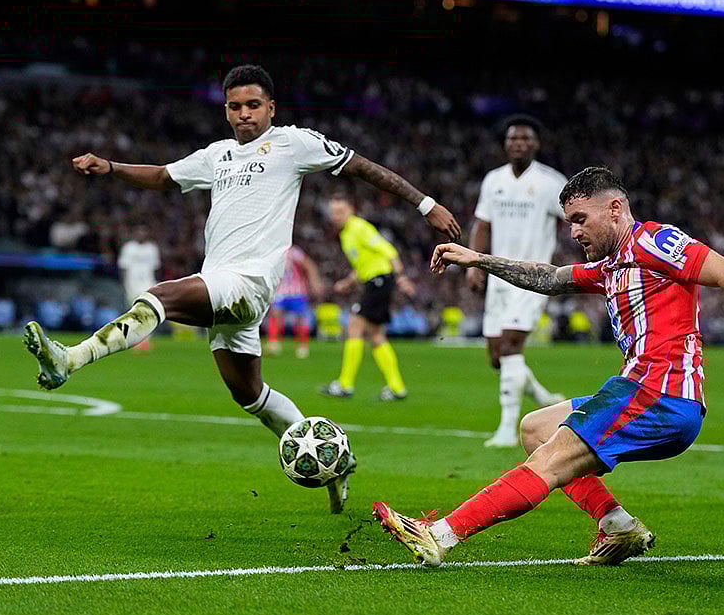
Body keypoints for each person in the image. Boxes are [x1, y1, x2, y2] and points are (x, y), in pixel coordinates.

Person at [23, 64, 460, 514]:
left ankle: (70, 358)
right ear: (226, 111)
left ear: (271, 107)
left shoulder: (295, 143)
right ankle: (337, 462)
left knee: (161, 296)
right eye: (235, 106)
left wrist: (426, 205)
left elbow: (364, 168)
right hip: (223, 280)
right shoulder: (217, 155)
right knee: (249, 394)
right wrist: (111, 166)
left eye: (254, 105)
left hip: (248, 282)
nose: (244, 114)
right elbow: (161, 177)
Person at [372, 166, 724, 566]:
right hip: (648, 394)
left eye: (581, 219)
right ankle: (618, 526)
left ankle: (441, 535)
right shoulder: (609, 267)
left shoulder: (655, 241)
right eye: (569, 223)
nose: (574, 232)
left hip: (657, 393)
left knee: (548, 463)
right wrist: (479, 259)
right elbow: (548, 278)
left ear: (615, 209)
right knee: (536, 429)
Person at [467, 115, 568, 448]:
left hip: (534, 276)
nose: (518, 143)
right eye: (513, 139)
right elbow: (482, 224)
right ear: (505, 144)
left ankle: (508, 430)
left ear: (536, 144)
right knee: (498, 357)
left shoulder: (551, 182)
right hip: (498, 275)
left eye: (525, 139)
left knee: (511, 345)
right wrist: (474, 263)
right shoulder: (493, 180)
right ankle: (544, 398)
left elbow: (575, 218)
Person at [319, 193, 415, 401]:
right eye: (334, 212)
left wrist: (401, 277)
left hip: (379, 281)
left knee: (355, 327)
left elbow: (387, 250)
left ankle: (345, 385)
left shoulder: (359, 227)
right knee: (377, 335)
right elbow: (363, 263)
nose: (336, 216)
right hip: (374, 282)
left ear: (351, 210)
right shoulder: (346, 234)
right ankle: (397, 388)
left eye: (340, 211)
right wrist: (349, 282)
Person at [266, 245, 324, 358]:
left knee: (300, 318)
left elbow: (309, 265)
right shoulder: (273, 252)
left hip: (297, 291)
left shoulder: (294, 251)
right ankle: (273, 343)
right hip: (281, 290)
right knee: (275, 314)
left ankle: (303, 346)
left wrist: (314, 282)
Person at [117, 223, 161, 351]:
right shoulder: (129, 247)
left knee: (148, 312)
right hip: (131, 284)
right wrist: (125, 284)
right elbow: (123, 267)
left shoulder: (152, 248)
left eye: (144, 231)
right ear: (134, 232)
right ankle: (133, 340)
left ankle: (145, 340)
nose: (141, 234)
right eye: (139, 231)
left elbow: (156, 268)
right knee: (133, 313)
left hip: (147, 283)